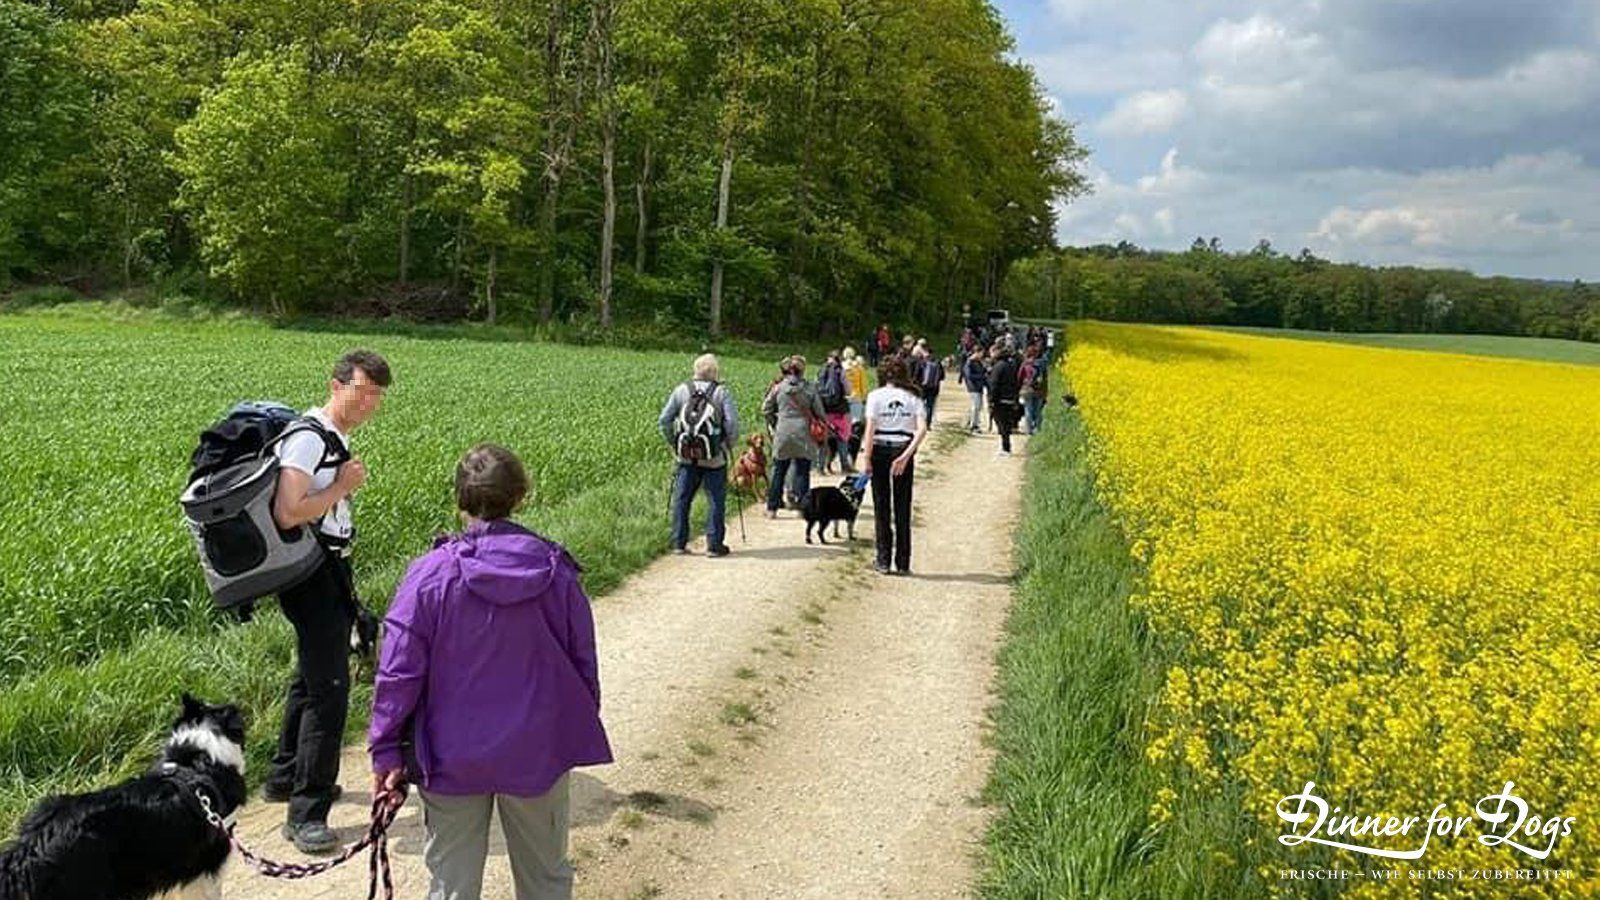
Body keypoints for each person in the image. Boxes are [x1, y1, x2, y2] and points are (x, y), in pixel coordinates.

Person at [370, 444, 612, 900]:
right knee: (546, 880)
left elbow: (397, 673)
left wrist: (385, 750)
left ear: (460, 502)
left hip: (449, 758)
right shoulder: (555, 571)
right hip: (537, 752)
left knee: (451, 886)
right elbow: (584, 665)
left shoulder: (427, 577)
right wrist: (569, 730)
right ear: (522, 496)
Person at [266, 349, 391, 854]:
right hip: (310, 575)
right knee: (330, 690)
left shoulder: (332, 436)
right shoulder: (307, 438)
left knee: (312, 673)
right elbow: (288, 511)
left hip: (326, 568)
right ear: (335, 385)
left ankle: (283, 775)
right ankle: (307, 813)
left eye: (377, 396)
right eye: (361, 391)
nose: (368, 403)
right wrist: (341, 486)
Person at [657, 353, 739, 557]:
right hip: (714, 458)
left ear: (695, 370)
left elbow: (664, 420)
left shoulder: (681, 390)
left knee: (682, 498)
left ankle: (678, 542)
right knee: (716, 500)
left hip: (685, 457)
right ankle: (714, 545)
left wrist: (675, 444)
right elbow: (732, 424)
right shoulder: (721, 392)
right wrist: (728, 445)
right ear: (714, 372)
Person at [858, 357, 928, 576]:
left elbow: (870, 429)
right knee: (903, 505)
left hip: (880, 449)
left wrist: (866, 457)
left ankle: (883, 559)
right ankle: (903, 561)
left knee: (881, 505)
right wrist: (907, 455)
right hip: (903, 448)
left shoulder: (875, 396)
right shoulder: (913, 397)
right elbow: (922, 429)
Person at [762, 356, 825, 517]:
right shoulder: (810, 388)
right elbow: (820, 413)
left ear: (789, 370)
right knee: (802, 470)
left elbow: (766, 408)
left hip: (782, 431)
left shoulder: (778, 388)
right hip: (804, 432)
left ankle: (772, 508)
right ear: (803, 370)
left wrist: (775, 423)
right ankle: (801, 507)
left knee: (778, 471)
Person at [817, 351, 854, 474]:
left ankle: (820, 467)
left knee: (823, 440)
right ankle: (844, 465)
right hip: (840, 411)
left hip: (824, 411)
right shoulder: (840, 371)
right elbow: (848, 390)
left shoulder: (821, 371)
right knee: (842, 438)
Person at [988, 343, 1022, 457]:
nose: (990, 355)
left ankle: (1005, 448)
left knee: (1001, 424)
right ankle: (1006, 446)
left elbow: (994, 384)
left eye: (991, 352)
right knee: (1006, 424)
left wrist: (991, 399)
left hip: (1000, 400)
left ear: (996, 352)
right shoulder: (1010, 365)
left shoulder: (998, 366)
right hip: (1009, 398)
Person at [1020, 347, 1049, 435]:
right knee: (1038, 411)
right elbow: (1045, 379)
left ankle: (1028, 430)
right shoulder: (1042, 364)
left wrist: (1021, 386)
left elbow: (1019, 377)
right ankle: (1038, 429)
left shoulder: (1025, 364)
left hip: (1027, 390)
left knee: (1028, 410)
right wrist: (1046, 392)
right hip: (1039, 391)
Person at [913, 345, 944, 425]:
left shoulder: (921, 362)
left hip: (922, 387)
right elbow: (942, 376)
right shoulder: (937, 362)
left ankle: (920, 422)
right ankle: (928, 424)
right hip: (934, 388)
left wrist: (916, 383)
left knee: (921, 404)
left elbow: (916, 375)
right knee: (930, 406)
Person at [961, 350, 988, 433]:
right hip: (973, 387)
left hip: (979, 387)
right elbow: (969, 375)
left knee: (978, 406)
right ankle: (974, 425)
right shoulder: (969, 363)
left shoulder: (978, 362)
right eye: (981, 353)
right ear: (976, 352)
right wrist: (982, 377)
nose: (981, 355)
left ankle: (970, 422)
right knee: (976, 406)